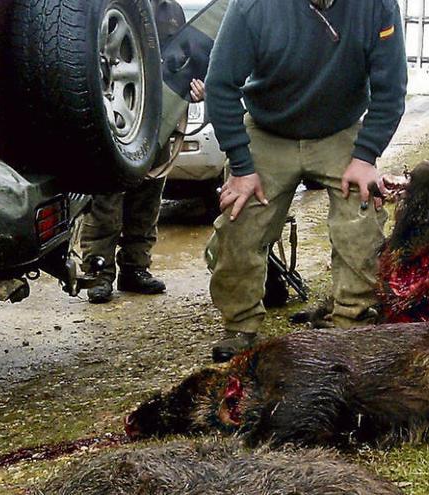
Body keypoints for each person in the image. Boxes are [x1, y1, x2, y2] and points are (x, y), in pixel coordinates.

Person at [204, 0, 407, 360]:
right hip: (267, 129)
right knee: (240, 218)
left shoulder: (377, 6)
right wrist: (241, 164)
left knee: (361, 216)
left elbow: (390, 90)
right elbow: (220, 85)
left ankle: (352, 321)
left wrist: (365, 156)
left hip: (339, 130)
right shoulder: (253, 6)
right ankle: (240, 324)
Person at [81, 0, 196, 304]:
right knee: (106, 200)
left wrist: (194, 87)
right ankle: (98, 272)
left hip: (156, 119)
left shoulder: (172, 11)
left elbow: (182, 62)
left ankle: (135, 267)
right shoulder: (111, 5)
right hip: (114, 119)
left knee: (147, 198)